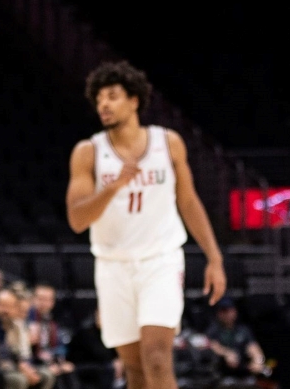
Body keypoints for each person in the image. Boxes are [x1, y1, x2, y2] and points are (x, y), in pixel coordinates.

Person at [65, 61, 227, 389]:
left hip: (160, 261)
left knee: (156, 357)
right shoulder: (88, 152)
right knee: (135, 370)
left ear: (134, 100)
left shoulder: (167, 143)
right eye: (99, 100)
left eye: (112, 96)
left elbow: (189, 201)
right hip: (113, 266)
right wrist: (112, 186)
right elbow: (77, 220)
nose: (104, 105)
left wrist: (215, 257)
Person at [0, 290, 53, 389]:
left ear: (15, 308)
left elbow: (20, 355)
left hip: (10, 367)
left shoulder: (15, 327)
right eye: (2, 305)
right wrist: (20, 368)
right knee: (19, 379)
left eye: (9, 306)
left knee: (46, 375)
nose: (5, 310)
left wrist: (27, 368)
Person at [205, 298, 269, 382]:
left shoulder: (243, 330)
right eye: (223, 311)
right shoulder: (213, 330)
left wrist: (258, 361)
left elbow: (253, 348)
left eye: (229, 311)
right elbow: (212, 345)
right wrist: (226, 353)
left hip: (243, 373)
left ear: (235, 311)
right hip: (222, 374)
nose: (226, 314)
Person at [28, 285, 76, 387]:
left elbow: (59, 346)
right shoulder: (26, 319)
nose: (43, 303)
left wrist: (59, 362)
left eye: (47, 300)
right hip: (33, 363)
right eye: (40, 299)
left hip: (49, 361)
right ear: (32, 299)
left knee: (68, 372)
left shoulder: (51, 322)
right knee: (53, 375)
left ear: (52, 302)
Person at [66, 311, 121, 389]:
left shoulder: (109, 333)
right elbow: (100, 354)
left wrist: (117, 360)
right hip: (81, 367)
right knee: (107, 369)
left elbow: (113, 353)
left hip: (99, 368)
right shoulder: (86, 331)